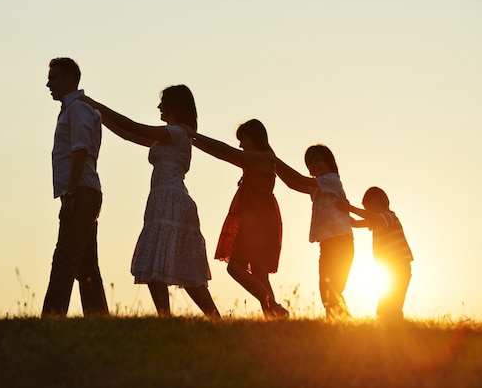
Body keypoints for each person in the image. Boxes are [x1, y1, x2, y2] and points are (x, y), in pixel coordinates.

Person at [80, 85, 220, 318]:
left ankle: (208, 318)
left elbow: (134, 126)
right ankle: (169, 317)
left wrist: (95, 104)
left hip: (171, 200)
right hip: (162, 200)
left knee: (181, 270)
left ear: (174, 106)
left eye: (163, 102)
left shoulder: (174, 133)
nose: (159, 107)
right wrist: (97, 114)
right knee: (158, 266)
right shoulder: (167, 135)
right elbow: (127, 133)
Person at [183, 120, 288, 318]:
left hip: (256, 221)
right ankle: (274, 318)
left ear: (254, 138)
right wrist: (194, 140)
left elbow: (227, 152)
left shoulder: (261, 158)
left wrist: (196, 137)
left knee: (235, 267)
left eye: (243, 140)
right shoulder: (262, 158)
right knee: (259, 272)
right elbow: (224, 153)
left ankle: (274, 306)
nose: (241, 145)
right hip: (263, 219)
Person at [42, 57, 109, 317]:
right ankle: (100, 318)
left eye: (54, 77)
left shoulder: (78, 109)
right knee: (86, 264)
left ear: (70, 79)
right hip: (82, 191)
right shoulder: (74, 109)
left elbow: (80, 151)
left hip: (80, 191)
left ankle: (51, 317)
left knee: (65, 259)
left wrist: (70, 193)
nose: (48, 83)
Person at [275, 144, 354, 319]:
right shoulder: (318, 186)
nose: (313, 165)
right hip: (327, 244)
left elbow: (299, 179)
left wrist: (274, 160)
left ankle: (345, 321)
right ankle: (337, 322)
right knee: (326, 288)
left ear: (329, 163)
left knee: (333, 287)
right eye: (310, 163)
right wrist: (273, 164)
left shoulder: (331, 180)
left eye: (318, 160)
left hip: (341, 242)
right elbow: (291, 183)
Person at [341, 187, 414, 322]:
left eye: (368, 207)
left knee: (392, 306)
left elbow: (371, 217)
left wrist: (349, 207)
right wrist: (344, 210)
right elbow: (355, 223)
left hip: (400, 267)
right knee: (384, 308)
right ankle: (395, 330)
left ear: (379, 203)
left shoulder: (389, 217)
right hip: (389, 270)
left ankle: (399, 330)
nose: (367, 210)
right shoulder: (376, 221)